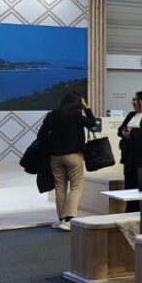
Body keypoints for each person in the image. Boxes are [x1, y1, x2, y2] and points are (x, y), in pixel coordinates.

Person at [37, 91, 98, 230]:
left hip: (55, 157)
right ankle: (69, 220)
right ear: (78, 103)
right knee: (76, 186)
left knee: (60, 187)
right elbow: (92, 123)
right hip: (74, 156)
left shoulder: (52, 115)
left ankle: (60, 219)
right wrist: (87, 108)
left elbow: (41, 135)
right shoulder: (75, 116)